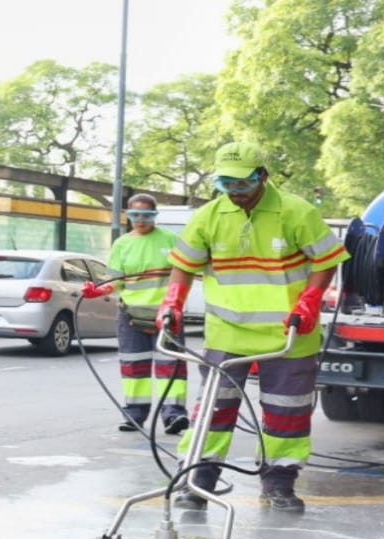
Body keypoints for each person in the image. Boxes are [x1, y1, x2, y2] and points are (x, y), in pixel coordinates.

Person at [155, 141, 349, 513]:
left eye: (242, 184)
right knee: (212, 411)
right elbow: (184, 265)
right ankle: (196, 480)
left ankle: (278, 484)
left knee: (286, 412)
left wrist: (308, 302)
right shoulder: (209, 216)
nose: (235, 192)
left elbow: (327, 260)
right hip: (226, 332)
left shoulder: (296, 212)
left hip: (288, 333)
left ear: (263, 176)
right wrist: (172, 302)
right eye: (227, 184)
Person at [84, 194, 189, 435]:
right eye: (135, 215)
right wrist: (97, 290)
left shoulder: (171, 240)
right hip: (131, 314)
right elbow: (114, 280)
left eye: (146, 215)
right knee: (134, 366)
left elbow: (184, 273)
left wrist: (174, 306)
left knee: (170, 365)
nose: (140, 220)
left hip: (166, 314)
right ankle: (134, 415)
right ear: (128, 216)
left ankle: (174, 415)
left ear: (154, 216)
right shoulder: (122, 244)